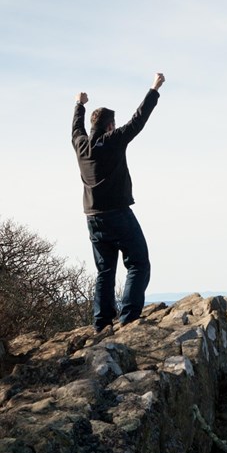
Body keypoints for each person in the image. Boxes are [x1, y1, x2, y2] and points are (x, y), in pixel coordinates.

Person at [72, 73, 165, 333]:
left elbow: (76, 129)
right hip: (118, 216)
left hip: (93, 217)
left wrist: (79, 105)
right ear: (111, 126)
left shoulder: (81, 146)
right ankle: (129, 319)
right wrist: (154, 89)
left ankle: (101, 324)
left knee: (105, 271)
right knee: (138, 262)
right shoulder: (113, 142)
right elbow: (139, 119)